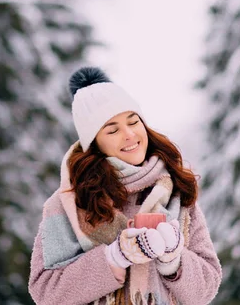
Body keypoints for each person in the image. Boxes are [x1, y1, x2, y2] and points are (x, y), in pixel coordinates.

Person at [28, 67, 222, 305]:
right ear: (94, 143)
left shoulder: (176, 192)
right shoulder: (67, 203)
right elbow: (45, 291)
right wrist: (114, 258)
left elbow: (207, 286)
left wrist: (174, 259)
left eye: (134, 121)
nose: (129, 134)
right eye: (113, 130)